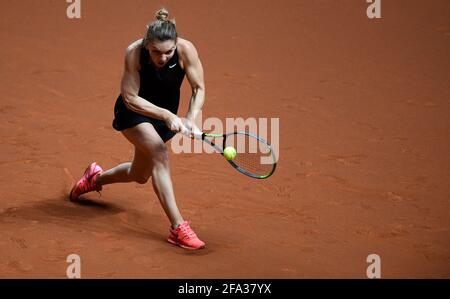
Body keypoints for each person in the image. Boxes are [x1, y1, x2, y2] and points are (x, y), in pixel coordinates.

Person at [69, 8, 206, 250]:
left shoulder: (186, 50)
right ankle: (178, 228)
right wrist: (167, 115)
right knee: (159, 154)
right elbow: (130, 97)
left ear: (176, 45)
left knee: (140, 174)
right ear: (146, 44)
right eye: (156, 51)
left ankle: (94, 178)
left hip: (166, 119)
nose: (162, 58)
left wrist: (190, 118)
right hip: (134, 113)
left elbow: (199, 89)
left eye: (168, 52)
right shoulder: (134, 53)